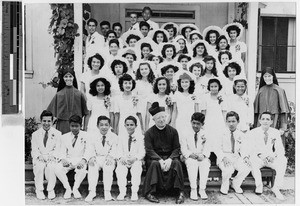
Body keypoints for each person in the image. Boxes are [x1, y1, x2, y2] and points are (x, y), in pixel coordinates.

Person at [143, 102, 185, 204]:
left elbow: (176, 148)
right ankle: (150, 192)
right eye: (158, 118)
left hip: (170, 156)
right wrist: (160, 160)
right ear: (154, 120)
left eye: (163, 117)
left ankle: (180, 192)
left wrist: (170, 159)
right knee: (154, 164)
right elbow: (149, 150)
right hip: (155, 158)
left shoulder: (173, 131)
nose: (161, 120)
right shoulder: (149, 133)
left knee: (177, 163)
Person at [247, 112, 287, 200]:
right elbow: (250, 148)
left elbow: (280, 149)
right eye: (263, 119)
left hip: (270, 159)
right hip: (258, 158)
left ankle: (276, 188)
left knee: (283, 160)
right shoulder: (253, 132)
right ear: (260, 120)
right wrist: (260, 155)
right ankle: (259, 185)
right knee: (252, 160)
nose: (265, 121)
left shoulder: (275, 132)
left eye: (268, 119)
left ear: (271, 121)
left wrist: (273, 156)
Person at [84, 116, 118, 202]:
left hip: (108, 157)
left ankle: (107, 192)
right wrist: (91, 157)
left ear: (110, 126)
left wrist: (111, 157)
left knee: (108, 167)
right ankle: (92, 191)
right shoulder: (92, 136)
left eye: (106, 125)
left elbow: (115, 149)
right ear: (97, 126)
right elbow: (89, 148)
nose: (104, 127)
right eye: (101, 125)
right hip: (97, 157)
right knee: (92, 166)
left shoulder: (114, 136)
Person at [215, 111, 251, 195]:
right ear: (226, 122)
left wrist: (245, 157)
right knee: (228, 169)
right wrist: (223, 157)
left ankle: (235, 184)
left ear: (238, 122)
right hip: (225, 156)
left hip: (236, 157)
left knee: (247, 168)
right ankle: (224, 186)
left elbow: (244, 148)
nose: (231, 124)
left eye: (233, 121)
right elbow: (217, 148)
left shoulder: (241, 134)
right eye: (229, 121)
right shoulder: (221, 133)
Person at [54, 115, 88, 199]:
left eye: (77, 126)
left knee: (82, 170)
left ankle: (75, 189)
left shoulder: (86, 135)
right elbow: (61, 151)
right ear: (69, 125)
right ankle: (68, 189)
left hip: (80, 160)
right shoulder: (64, 137)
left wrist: (83, 160)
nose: (74, 128)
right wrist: (63, 159)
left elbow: (89, 150)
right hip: (68, 160)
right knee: (57, 168)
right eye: (72, 126)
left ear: (81, 126)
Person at [47, 68, 89, 134]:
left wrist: (85, 128)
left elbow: (86, 113)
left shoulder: (79, 94)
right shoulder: (59, 94)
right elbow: (49, 113)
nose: (68, 78)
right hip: (62, 126)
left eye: (70, 76)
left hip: (76, 126)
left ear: (73, 78)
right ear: (63, 78)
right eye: (66, 76)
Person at [180, 112, 211, 200]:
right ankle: (193, 189)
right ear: (191, 122)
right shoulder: (185, 132)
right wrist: (190, 154)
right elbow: (183, 148)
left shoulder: (206, 133)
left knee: (205, 164)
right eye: (193, 123)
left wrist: (204, 155)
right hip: (190, 156)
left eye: (198, 124)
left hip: (201, 156)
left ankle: (202, 189)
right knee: (192, 164)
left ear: (202, 124)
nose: (195, 126)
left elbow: (208, 147)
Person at [31, 110, 61, 200]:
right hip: (40, 156)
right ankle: (39, 190)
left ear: (52, 122)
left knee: (51, 167)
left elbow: (58, 148)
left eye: (49, 121)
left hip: (51, 156)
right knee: (39, 166)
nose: (46, 123)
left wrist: (53, 156)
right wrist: (38, 156)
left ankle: (50, 189)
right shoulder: (35, 134)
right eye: (44, 121)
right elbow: (34, 149)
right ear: (41, 121)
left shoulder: (57, 133)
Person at [115, 116, 145, 201]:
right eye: (127, 125)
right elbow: (118, 150)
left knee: (136, 169)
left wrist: (135, 158)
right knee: (120, 169)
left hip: (135, 159)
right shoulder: (121, 136)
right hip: (124, 159)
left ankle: (134, 192)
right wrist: (121, 157)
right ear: (124, 125)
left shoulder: (140, 137)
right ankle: (122, 192)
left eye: (132, 125)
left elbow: (142, 152)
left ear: (136, 125)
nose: (129, 127)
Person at [254, 67, 290, 132]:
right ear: (263, 78)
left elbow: (284, 112)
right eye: (265, 76)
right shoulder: (261, 90)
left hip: (275, 121)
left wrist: (283, 127)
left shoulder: (279, 90)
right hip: (261, 123)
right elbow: (256, 112)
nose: (267, 78)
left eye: (269, 76)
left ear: (273, 76)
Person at [201, 78, 227, 166]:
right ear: (209, 87)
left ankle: (218, 158)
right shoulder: (205, 97)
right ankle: (208, 158)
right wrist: (202, 123)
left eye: (215, 86)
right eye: (211, 86)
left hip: (219, 121)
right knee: (208, 138)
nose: (214, 88)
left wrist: (225, 123)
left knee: (218, 139)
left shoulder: (222, 97)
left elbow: (224, 111)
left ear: (219, 87)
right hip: (208, 121)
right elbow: (203, 111)